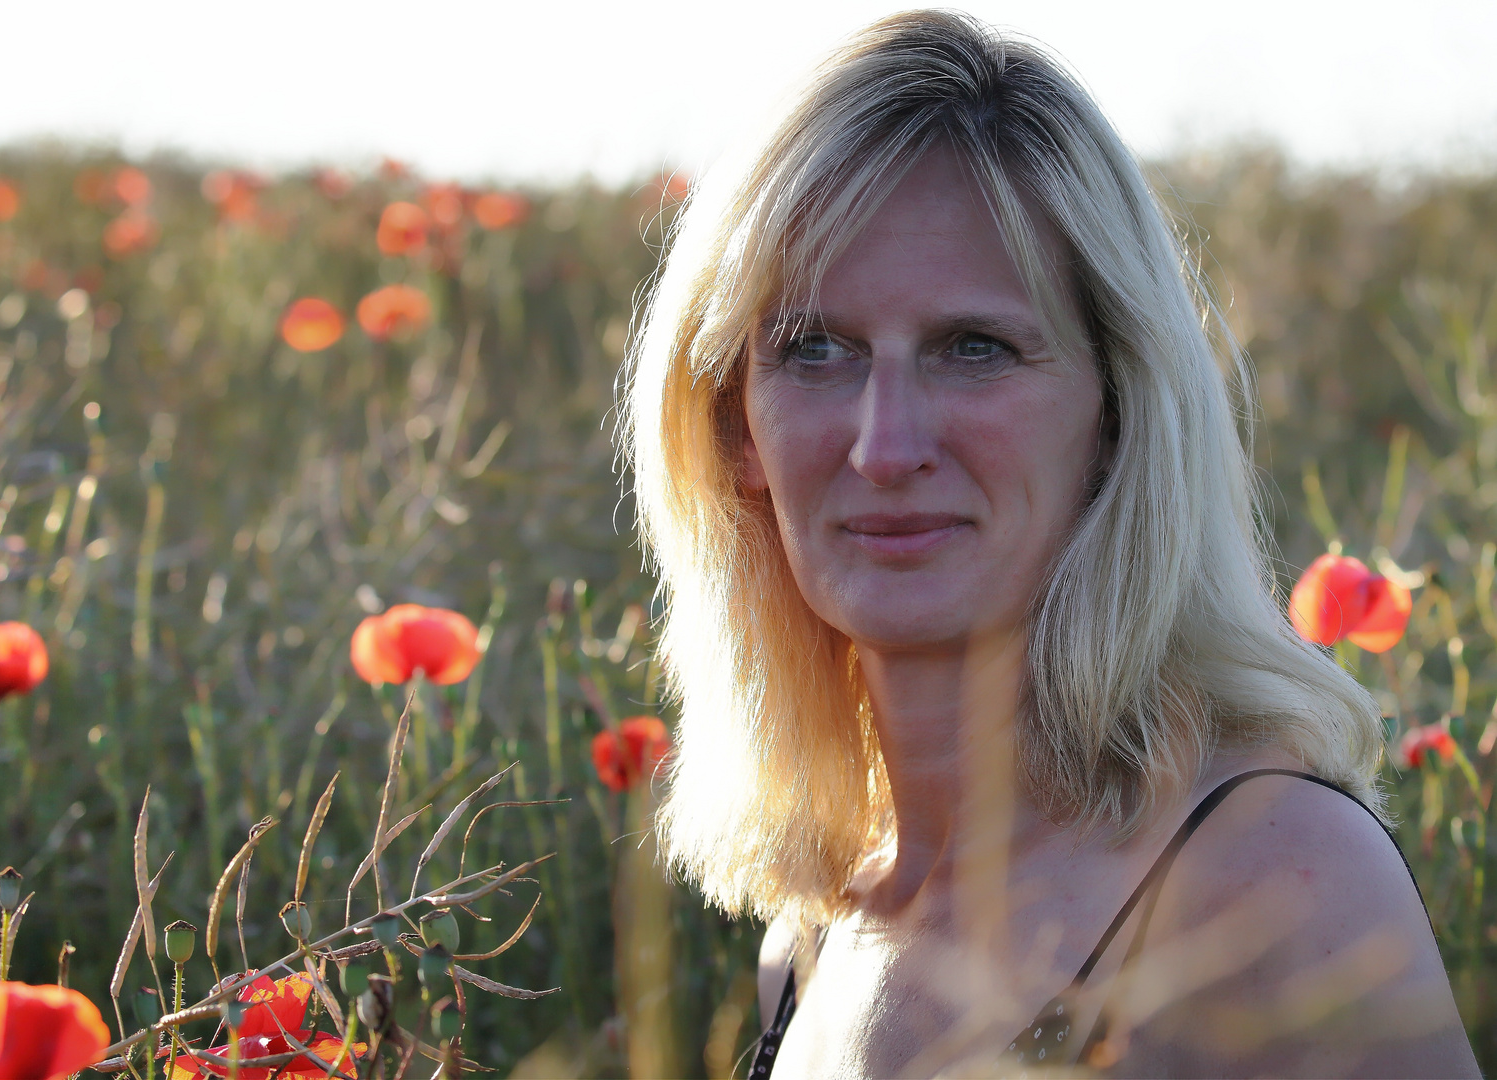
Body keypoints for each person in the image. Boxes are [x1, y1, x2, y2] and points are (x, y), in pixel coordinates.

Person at [619, 8, 1479, 1077]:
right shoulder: (809, 936)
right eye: (815, 349)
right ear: (733, 426)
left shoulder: (1268, 879)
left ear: (1116, 413)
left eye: (973, 348)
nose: (886, 447)